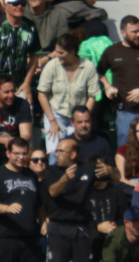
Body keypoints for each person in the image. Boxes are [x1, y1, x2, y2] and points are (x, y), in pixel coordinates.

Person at [43, 139, 117, 262]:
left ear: (73, 154)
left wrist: (111, 170)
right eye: (57, 150)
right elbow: (52, 191)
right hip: (57, 228)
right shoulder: (51, 170)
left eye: (61, 151)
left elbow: (117, 177)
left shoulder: (88, 168)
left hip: (81, 229)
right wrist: (65, 178)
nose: (56, 154)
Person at [98, 15, 139, 148]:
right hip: (124, 110)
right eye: (134, 32)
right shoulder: (112, 51)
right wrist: (107, 86)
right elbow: (99, 72)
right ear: (123, 33)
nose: (138, 34)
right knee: (125, 149)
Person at [0, 137, 43, 262]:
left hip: (29, 238)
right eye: (17, 153)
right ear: (8, 153)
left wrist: (44, 222)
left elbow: (39, 205)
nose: (21, 157)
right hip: (4, 237)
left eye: (24, 154)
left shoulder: (31, 175)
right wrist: (6, 208)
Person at [36, 31, 100, 165]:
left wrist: (82, 118)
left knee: (76, 151)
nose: (57, 55)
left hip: (76, 115)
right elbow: (42, 94)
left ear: (72, 52)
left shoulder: (87, 66)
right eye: (56, 51)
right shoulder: (52, 65)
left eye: (61, 53)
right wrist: (52, 120)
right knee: (54, 152)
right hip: (56, 113)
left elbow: (92, 95)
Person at [0, 0, 39, 101]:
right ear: (6, 5)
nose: (19, 7)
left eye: (23, 4)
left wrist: (27, 83)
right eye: (15, 4)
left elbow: (35, 56)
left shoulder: (31, 26)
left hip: (19, 84)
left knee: (27, 112)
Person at [0, 75, 32, 170]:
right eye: (6, 92)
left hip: (15, 143)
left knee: (27, 149)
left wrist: (14, 143)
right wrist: (5, 140)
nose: (11, 95)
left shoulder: (22, 104)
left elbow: (26, 134)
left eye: (13, 91)